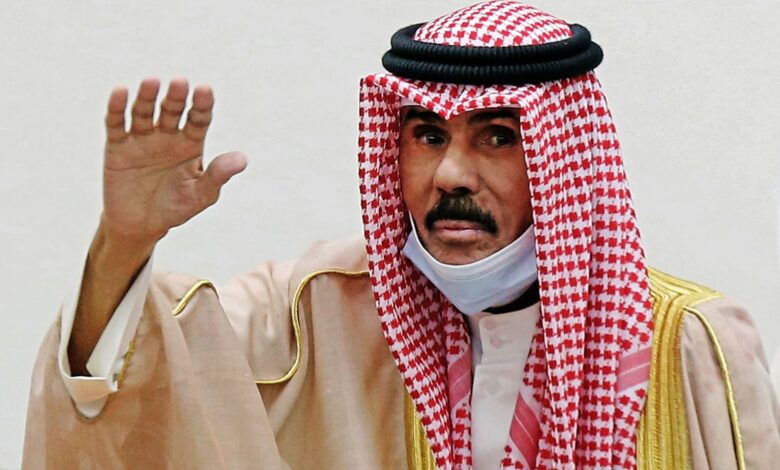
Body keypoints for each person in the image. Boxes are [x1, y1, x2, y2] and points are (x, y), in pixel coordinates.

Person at [22, 1, 780, 469]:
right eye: (427, 135)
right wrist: (124, 242)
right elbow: (138, 376)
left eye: (497, 137)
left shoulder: (688, 342)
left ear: (565, 157)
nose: (450, 173)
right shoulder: (316, 312)